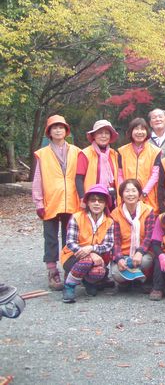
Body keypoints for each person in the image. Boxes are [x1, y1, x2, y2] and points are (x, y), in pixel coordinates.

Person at [32, 115, 81, 291]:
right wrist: (38, 202)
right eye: (54, 128)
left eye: (61, 127)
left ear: (66, 131)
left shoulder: (76, 151)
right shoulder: (43, 154)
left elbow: (81, 177)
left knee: (70, 238)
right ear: (49, 132)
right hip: (51, 200)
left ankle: (69, 268)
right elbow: (37, 179)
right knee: (51, 238)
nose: (58, 130)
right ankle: (52, 271)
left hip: (71, 201)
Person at [61, 184, 115, 303]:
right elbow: (70, 242)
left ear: (105, 204)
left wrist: (92, 248)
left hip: (96, 257)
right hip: (72, 256)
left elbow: (109, 244)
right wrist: (90, 254)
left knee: (99, 271)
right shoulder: (77, 217)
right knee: (87, 260)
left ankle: (87, 282)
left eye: (100, 201)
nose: (96, 203)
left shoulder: (109, 221)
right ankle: (69, 286)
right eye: (93, 200)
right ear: (87, 203)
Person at [110, 179, 156, 290]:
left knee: (146, 261)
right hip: (124, 254)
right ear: (121, 194)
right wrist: (119, 258)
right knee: (116, 272)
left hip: (143, 254)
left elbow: (149, 236)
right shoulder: (115, 213)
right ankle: (133, 279)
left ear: (139, 193)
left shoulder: (148, 211)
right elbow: (115, 240)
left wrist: (139, 252)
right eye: (127, 191)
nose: (130, 194)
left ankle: (136, 278)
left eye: (133, 191)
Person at [118, 117, 161, 213]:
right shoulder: (122, 151)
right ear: (131, 131)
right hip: (127, 196)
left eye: (142, 129)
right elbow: (119, 174)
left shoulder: (155, 151)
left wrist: (144, 193)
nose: (139, 132)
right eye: (136, 129)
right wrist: (124, 192)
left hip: (148, 196)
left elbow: (155, 175)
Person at [76, 119, 119, 209]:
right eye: (100, 133)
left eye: (107, 133)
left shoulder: (114, 154)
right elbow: (79, 179)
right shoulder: (85, 153)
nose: (103, 136)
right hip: (92, 199)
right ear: (94, 136)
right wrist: (83, 199)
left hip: (111, 198)